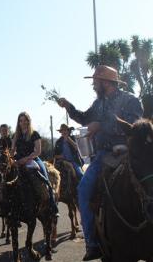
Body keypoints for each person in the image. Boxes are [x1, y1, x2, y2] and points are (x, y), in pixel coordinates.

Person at [57, 65, 143, 261]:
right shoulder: (98, 103)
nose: (93, 84)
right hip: (103, 155)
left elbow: (134, 125)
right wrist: (69, 106)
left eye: (95, 81)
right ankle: (92, 243)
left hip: (129, 152)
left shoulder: (130, 100)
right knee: (84, 189)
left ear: (106, 82)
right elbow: (84, 118)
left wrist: (101, 125)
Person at [10, 112, 59, 216]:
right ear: (18, 122)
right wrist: (11, 159)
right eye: (20, 120)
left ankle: (52, 205)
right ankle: (9, 208)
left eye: (24, 120)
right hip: (18, 159)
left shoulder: (34, 134)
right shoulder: (15, 135)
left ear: (28, 121)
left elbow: (38, 151)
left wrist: (26, 159)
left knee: (45, 177)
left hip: (33, 158)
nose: (23, 122)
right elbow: (12, 150)